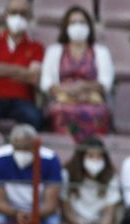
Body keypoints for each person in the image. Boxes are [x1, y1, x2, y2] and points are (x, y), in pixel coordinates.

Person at [41, 6, 115, 140]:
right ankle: (66, 151)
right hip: (63, 98)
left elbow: (106, 83)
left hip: (91, 99)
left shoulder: (101, 52)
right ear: (66, 27)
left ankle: (93, 151)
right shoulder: (54, 51)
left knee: (100, 112)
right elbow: (46, 82)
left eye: (82, 23)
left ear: (89, 27)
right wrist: (67, 90)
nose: (78, 27)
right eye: (73, 23)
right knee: (59, 111)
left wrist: (83, 87)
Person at [0, 0, 44, 131]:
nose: (18, 17)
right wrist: (21, 71)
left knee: (35, 118)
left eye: (23, 13)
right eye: (14, 12)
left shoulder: (36, 47)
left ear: (29, 17)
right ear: (5, 15)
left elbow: (33, 77)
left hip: (21, 100)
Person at [0, 124, 63, 224]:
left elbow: (51, 203)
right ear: (11, 144)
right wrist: (16, 213)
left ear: (36, 145)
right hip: (8, 209)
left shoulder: (50, 159)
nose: (22, 151)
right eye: (18, 147)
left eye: (27, 148)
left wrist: (34, 215)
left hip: (40, 211)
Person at [61, 138, 121, 224]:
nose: (95, 160)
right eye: (90, 156)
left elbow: (109, 214)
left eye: (99, 156)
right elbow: (67, 211)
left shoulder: (111, 177)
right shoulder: (67, 175)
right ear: (81, 158)